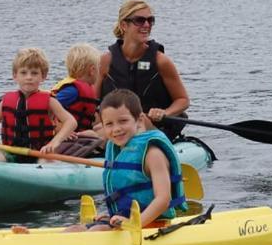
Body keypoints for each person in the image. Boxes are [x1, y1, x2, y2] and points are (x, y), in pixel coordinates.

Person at [73, 88, 189, 232]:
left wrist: (134, 223)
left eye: (123, 121)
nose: (116, 129)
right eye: (109, 124)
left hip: (152, 223)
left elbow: (163, 200)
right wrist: (113, 216)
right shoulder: (117, 150)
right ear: (102, 126)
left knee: (94, 233)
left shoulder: (153, 154)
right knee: (73, 230)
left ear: (139, 120)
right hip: (125, 219)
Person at [96, 0, 190, 142]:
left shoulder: (161, 61)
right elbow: (93, 102)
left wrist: (165, 112)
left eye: (150, 20)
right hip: (118, 127)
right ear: (123, 25)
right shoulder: (105, 61)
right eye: (140, 20)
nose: (146, 25)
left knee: (140, 122)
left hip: (154, 127)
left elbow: (182, 100)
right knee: (97, 130)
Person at [0, 47, 77, 162]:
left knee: (46, 161)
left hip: (40, 153)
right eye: (23, 72)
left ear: (43, 76)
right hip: (12, 152)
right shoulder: (6, 101)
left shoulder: (50, 101)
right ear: (15, 75)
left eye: (34, 73)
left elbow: (71, 122)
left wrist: (54, 142)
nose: (29, 77)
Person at [51, 43, 106, 157]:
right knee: (93, 133)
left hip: (78, 133)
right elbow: (48, 106)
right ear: (92, 70)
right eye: (98, 67)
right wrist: (62, 129)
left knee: (102, 127)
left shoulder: (82, 88)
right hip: (65, 136)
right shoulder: (72, 91)